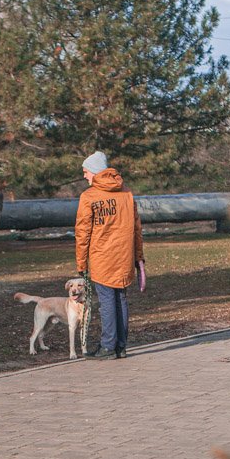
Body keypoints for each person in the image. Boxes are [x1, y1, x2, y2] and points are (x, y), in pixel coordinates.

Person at [76, 150, 145, 359]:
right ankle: (120, 346)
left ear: (96, 172)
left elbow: (82, 233)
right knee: (120, 299)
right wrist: (138, 256)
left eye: (86, 172)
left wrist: (81, 263)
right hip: (124, 257)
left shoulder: (89, 196)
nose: (85, 176)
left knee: (107, 301)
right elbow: (137, 229)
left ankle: (107, 346)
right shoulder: (126, 193)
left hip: (102, 258)